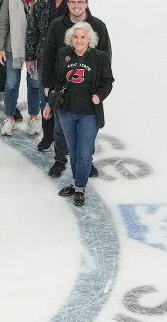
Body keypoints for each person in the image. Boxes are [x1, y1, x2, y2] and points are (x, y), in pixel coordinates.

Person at [40, 0, 111, 179]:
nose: (76, 6)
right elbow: (47, 56)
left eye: (80, 2)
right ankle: (60, 159)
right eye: (72, 2)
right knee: (60, 128)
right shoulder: (56, 25)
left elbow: (106, 58)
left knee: (88, 128)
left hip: (89, 89)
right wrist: (47, 84)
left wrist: (100, 91)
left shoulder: (98, 26)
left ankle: (86, 161)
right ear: (68, 4)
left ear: (86, 3)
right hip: (62, 86)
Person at [44, 22, 114, 207]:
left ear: (89, 39)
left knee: (84, 154)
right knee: (74, 152)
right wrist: (50, 104)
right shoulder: (64, 54)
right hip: (66, 113)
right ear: (70, 39)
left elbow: (108, 81)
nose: (79, 40)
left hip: (89, 115)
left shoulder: (100, 57)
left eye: (83, 37)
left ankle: (80, 187)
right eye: (76, 37)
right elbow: (58, 82)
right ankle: (77, 185)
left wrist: (99, 96)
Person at [0, 0, 47, 136]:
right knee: (11, 84)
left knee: (34, 85)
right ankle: (9, 117)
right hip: (13, 47)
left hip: (36, 49)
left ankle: (34, 117)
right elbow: (3, 22)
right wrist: (0, 47)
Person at [28, 0, 73, 151]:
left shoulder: (75, 3)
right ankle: (48, 135)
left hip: (68, 61)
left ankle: (66, 139)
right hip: (44, 60)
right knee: (44, 99)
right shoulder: (43, 2)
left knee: (66, 100)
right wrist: (30, 57)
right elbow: (32, 30)